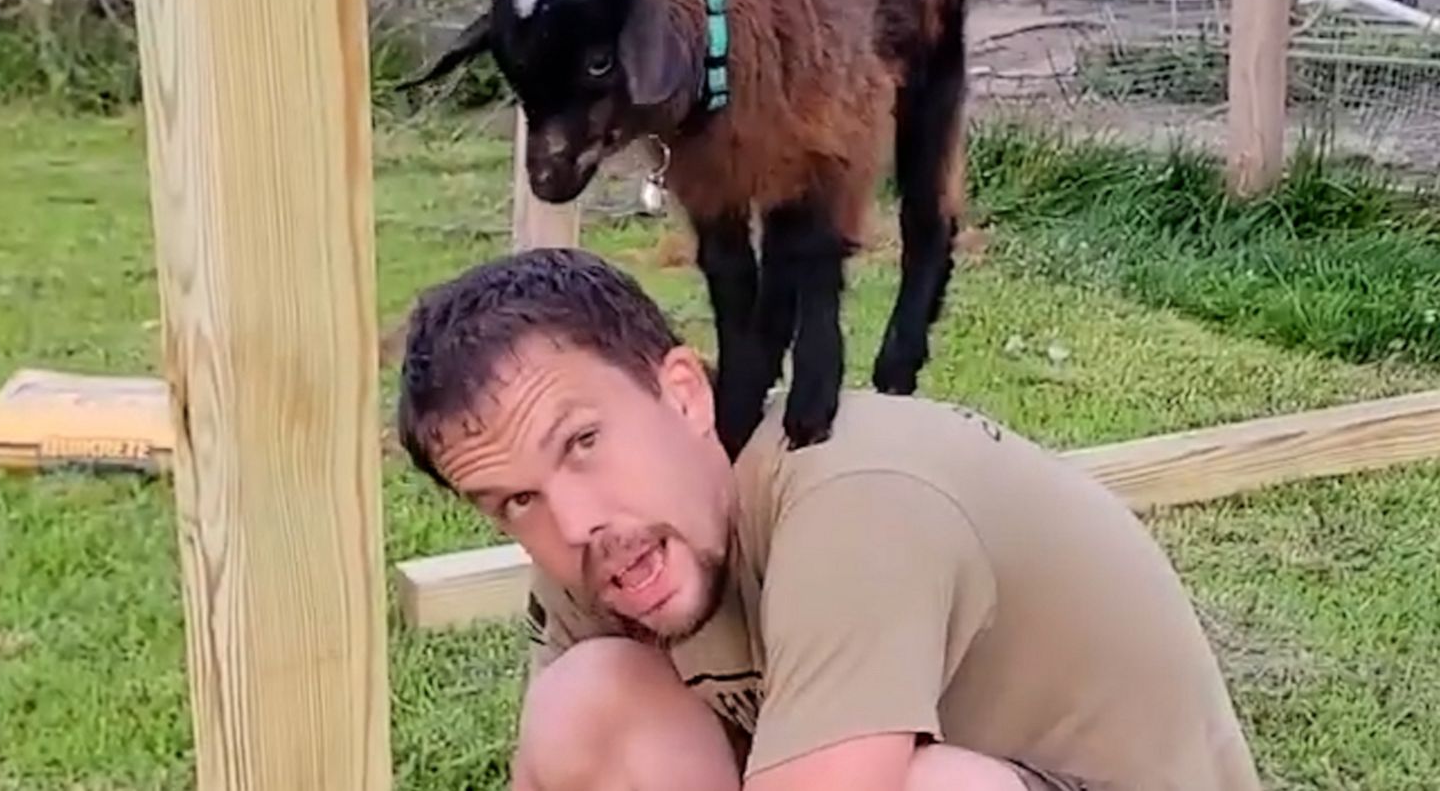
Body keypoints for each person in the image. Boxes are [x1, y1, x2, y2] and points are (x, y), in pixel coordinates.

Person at [395, 247, 1263, 791]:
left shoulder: (853, 498)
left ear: (684, 395)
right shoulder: (597, 537)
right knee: (589, 705)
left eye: (583, 440)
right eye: (515, 499)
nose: (575, 520)